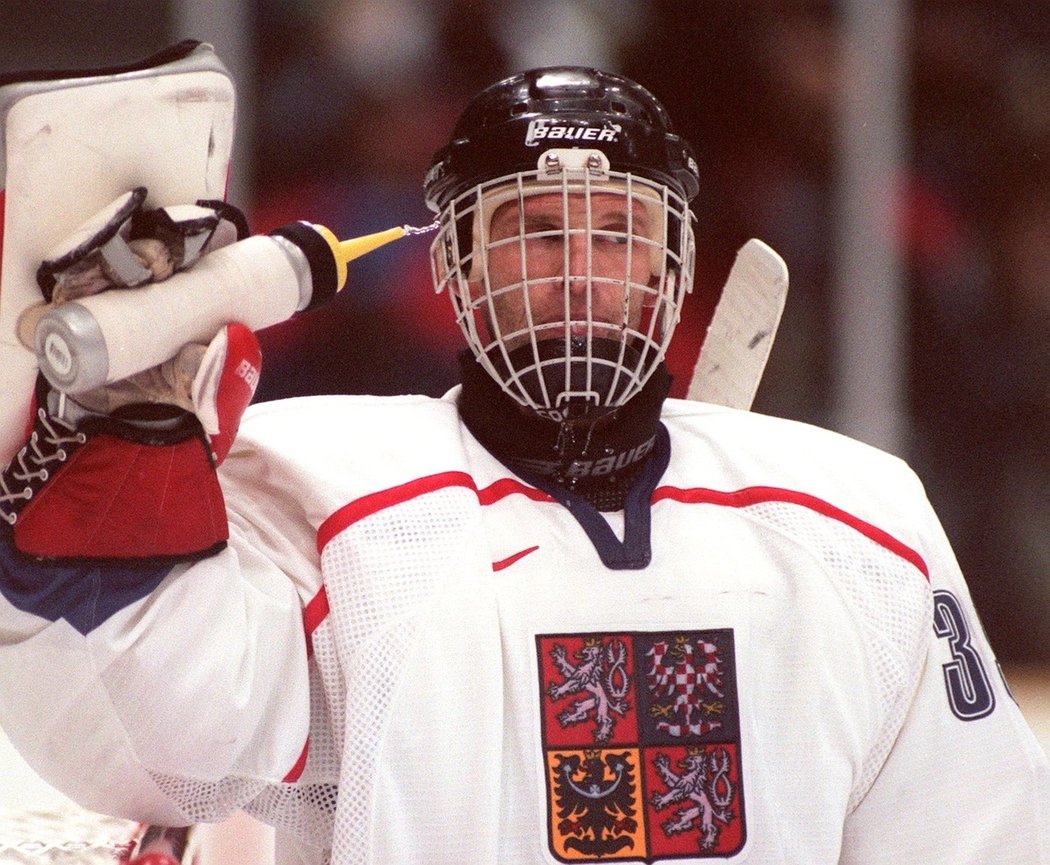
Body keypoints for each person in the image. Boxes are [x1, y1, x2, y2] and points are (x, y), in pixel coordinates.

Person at [0, 65, 1047, 865]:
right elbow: (149, 743)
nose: (579, 275)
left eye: (617, 234)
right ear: (456, 262)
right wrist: (114, 478)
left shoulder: (855, 519)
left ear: (672, 263)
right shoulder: (325, 497)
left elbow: (970, 830)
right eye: (537, 233)